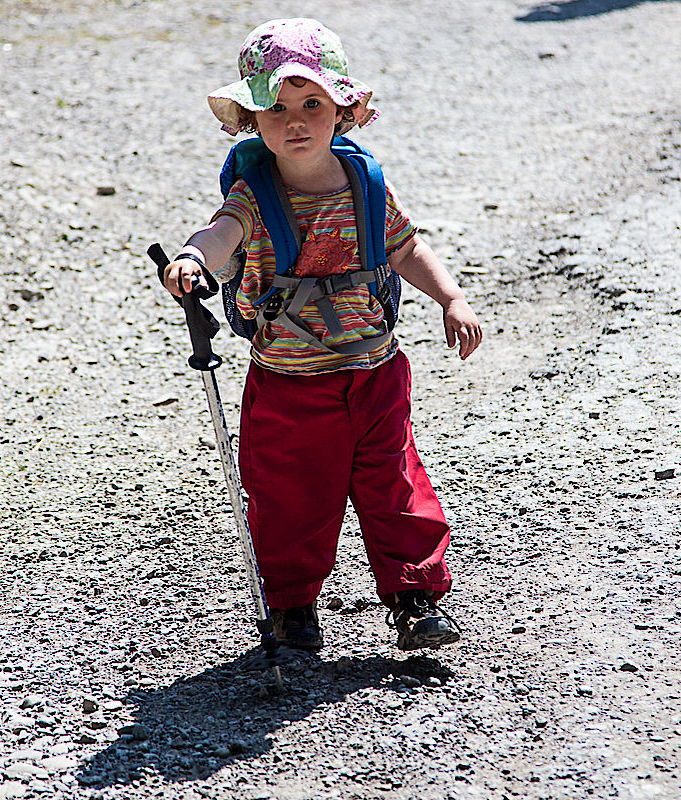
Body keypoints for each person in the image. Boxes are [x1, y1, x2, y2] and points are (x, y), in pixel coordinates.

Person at [160, 18, 482, 651]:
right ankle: (291, 602)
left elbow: (406, 248)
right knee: (288, 493)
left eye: (312, 104)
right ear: (253, 121)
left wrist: (452, 297)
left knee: (393, 481)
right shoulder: (254, 198)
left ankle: (413, 596)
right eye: (276, 108)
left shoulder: (365, 188)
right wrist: (194, 261)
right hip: (288, 382)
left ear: (343, 109)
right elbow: (219, 235)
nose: (296, 120)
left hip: (373, 370)